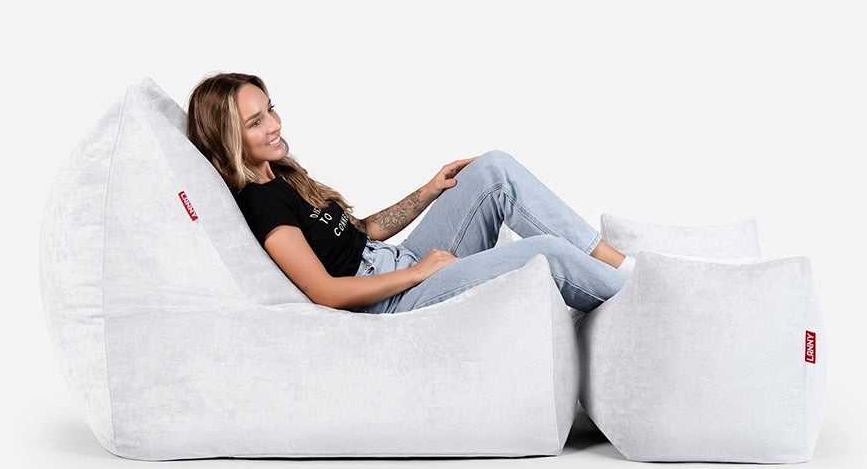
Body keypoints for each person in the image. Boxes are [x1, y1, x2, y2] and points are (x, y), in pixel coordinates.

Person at [185, 72, 636, 314]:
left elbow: (359, 231)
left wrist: (429, 191)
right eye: (256, 122)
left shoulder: (282, 175)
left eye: (271, 110)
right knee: (544, 254)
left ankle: (624, 267)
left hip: (397, 261)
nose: (275, 125)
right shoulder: (262, 205)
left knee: (493, 168)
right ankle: (640, 296)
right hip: (393, 300)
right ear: (229, 138)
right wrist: (419, 273)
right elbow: (325, 292)